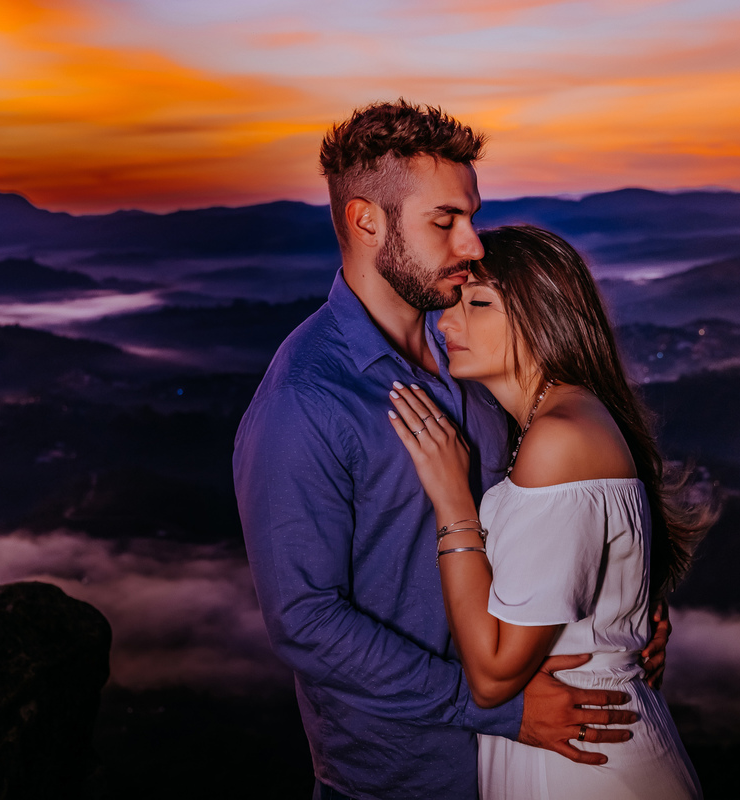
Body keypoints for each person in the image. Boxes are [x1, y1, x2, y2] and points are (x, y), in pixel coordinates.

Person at [233, 101, 669, 800]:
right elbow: (305, 621)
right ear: (367, 222)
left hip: (537, 755)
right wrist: (497, 708)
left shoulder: (477, 349)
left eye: (470, 217)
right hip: (407, 774)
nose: (471, 245)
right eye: (445, 222)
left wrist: (616, 613)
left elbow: (557, 513)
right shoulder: (306, 399)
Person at [386, 225, 713, 799]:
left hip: (584, 760)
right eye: (453, 301)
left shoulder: (558, 437)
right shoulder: (560, 419)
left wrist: (452, 499)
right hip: (576, 742)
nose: (445, 322)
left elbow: (492, 679)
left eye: (478, 304)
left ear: (545, 317)